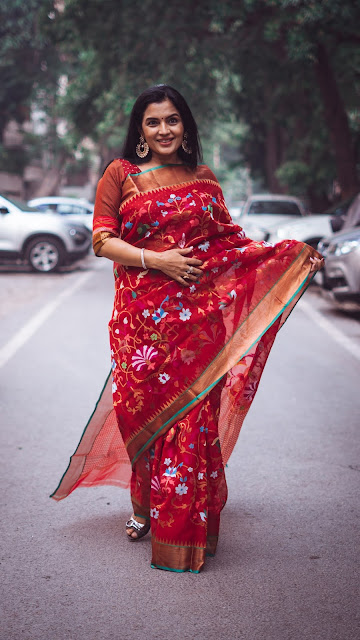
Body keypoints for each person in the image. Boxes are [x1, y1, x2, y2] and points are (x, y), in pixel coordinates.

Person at [51, 84, 323, 573]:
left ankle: (186, 524)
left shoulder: (204, 176)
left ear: (186, 125)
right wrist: (159, 261)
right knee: (143, 416)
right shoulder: (121, 174)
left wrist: (281, 256)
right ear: (140, 129)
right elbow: (101, 241)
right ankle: (142, 505)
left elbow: (227, 241)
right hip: (142, 324)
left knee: (193, 414)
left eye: (172, 120)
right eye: (153, 122)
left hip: (198, 321)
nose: (163, 130)